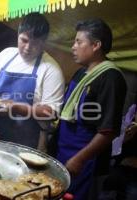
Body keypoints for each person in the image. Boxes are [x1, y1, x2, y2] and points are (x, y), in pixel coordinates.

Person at [55, 19, 127, 200]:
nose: (73, 47)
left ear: (96, 45)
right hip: (64, 153)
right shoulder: (81, 73)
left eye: (79, 42)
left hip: (86, 161)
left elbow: (108, 130)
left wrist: (79, 159)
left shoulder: (110, 78)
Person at [0, 12, 65, 148]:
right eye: (24, 40)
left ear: (44, 42)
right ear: (18, 35)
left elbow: (50, 112)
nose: (28, 48)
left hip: (26, 141)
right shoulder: (6, 55)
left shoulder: (51, 69)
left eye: (35, 43)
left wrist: (16, 108)